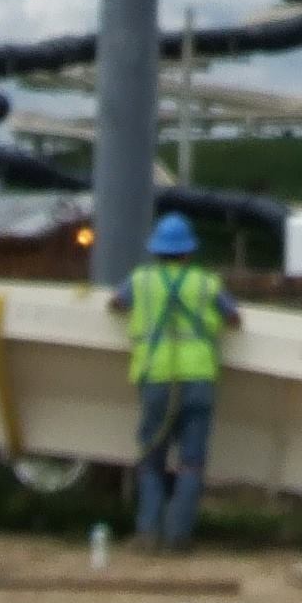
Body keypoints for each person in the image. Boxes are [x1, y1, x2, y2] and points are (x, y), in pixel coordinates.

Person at [107, 211, 241, 552]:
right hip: (198, 379)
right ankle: (179, 537)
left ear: (156, 250)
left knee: (151, 458)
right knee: (192, 462)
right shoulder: (207, 283)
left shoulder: (140, 281)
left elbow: (115, 304)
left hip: (156, 378)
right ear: (188, 251)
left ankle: (149, 533)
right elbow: (234, 317)